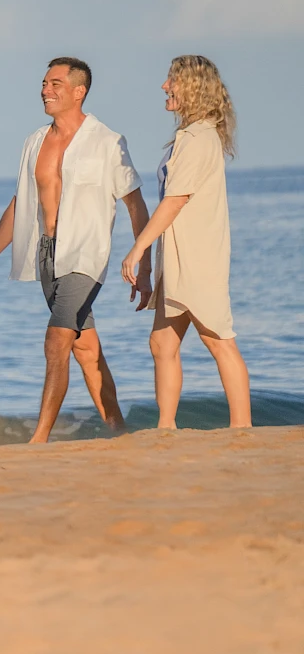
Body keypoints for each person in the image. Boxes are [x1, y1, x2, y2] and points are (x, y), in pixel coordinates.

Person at [0, 57, 153, 443]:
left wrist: (145, 263)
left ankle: (39, 440)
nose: (45, 90)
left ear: (78, 91)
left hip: (85, 255)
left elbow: (135, 205)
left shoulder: (107, 141)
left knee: (56, 341)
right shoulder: (35, 141)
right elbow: (22, 204)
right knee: (85, 349)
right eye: (44, 83)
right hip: (47, 253)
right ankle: (120, 432)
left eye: (55, 84)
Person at [120, 55, 251, 429]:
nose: (165, 86)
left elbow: (174, 201)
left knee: (218, 339)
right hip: (177, 256)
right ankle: (166, 429)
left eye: (171, 80)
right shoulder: (190, 136)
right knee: (162, 344)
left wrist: (138, 249)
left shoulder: (199, 139)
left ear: (191, 86)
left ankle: (242, 430)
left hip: (197, 256)